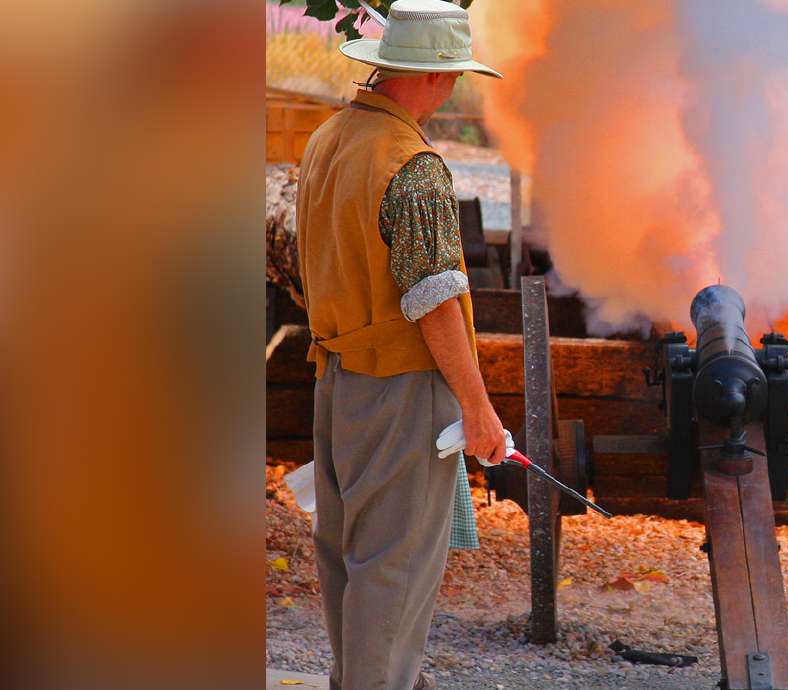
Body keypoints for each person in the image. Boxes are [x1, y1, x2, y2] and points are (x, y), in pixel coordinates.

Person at [294, 2, 504, 688]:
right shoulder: (412, 165)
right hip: (402, 390)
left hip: (337, 381)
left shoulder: (329, 138)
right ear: (436, 78)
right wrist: (479, 410)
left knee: (347, 556)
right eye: (452, 79)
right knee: (394, 566)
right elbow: (435, 304)